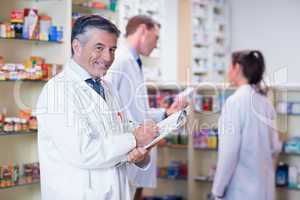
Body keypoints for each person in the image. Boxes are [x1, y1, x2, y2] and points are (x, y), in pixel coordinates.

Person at [36, 15, 159, 200]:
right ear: (77, 47)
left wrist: (140, 152)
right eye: (99, 48)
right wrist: (134, 139)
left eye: (112, 49)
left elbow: (122, 132)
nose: (108, 57)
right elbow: (83, 152)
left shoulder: (106, 87)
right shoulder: (57, 91)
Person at [105, 15, 179, 199]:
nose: (156, 44)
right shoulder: (120, 61)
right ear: (143, 30)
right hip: (126, 149)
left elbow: (135, 108)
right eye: (156, 38)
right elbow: (106, 104)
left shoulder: (135, 62)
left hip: (139, 149)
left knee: (136, 192)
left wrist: (165, 113)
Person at [211, 50, 282, 200]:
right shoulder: (265, 103)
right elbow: (275, 147)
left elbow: (228, 153)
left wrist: (217, 190)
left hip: (240, 191)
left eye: (229, 66)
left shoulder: (234, 102)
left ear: (237, 68)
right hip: (264, 191)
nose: (227, 71)